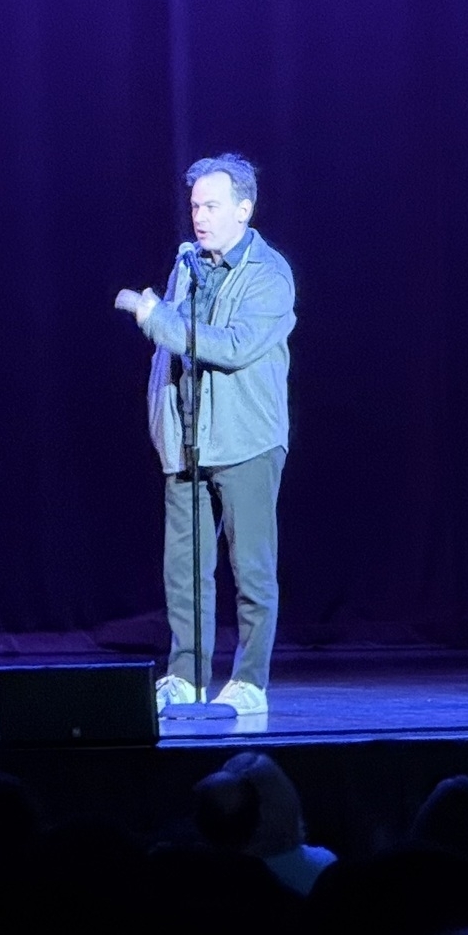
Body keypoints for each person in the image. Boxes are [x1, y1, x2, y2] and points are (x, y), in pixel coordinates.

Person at [115, 153, 295, 715]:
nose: (200, 216)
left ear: (245, 209)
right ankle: (186, 674)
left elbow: (233, 345)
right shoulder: (187, 264)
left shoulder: (269, 274)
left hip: (246, 439)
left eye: (212, 206)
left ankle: (249, 680)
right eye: (195, 205)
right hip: (186, 438)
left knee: (252, 567)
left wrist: (154, 319)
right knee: (185, 569)